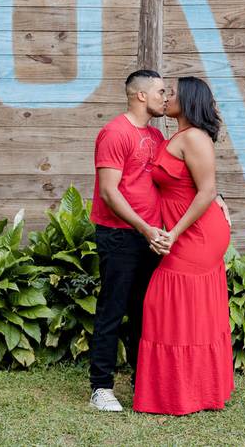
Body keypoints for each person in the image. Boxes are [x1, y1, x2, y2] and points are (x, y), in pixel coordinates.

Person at [132, 76, 235, 416]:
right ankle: (189, 390)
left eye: (172, 92)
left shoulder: (193, 137)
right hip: (184, 229)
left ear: (188, 100)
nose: (166, 97)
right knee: (181, 307)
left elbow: (206, 190)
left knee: (168, 300)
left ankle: (188, 391)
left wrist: (173, 233)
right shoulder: (176, 135)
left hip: (196, 233)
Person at [88, 69, 169, 412]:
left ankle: (142, 381)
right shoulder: (114, 132)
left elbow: (176, 177)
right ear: (140, 95)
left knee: (144, 313)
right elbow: (109, 192)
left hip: (148, 237)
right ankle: (101, 388)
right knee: (113, 310)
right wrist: (144, 227)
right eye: (161, 92)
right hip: (120, 236)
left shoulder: (155, 135)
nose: (166, 98)